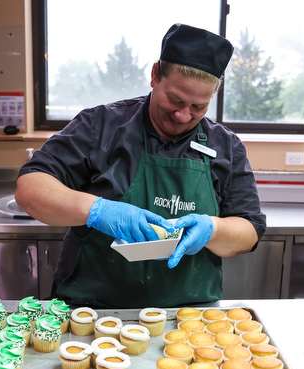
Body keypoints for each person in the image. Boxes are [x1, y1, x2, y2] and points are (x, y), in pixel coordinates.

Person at [15, 23, 266, 308]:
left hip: (188, 320)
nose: (183, 115)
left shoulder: (226, 146)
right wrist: (98, 210)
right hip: (91, 312)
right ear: (155, 75)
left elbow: (249, 230)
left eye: (198, 107)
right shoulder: (101, 126)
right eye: (175, 99)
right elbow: (30, 187)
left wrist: (213, 229)